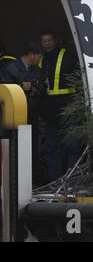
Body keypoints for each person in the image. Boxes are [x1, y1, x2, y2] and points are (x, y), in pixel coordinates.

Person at [0, 42, 44, 185]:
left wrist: (33, 88)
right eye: (38, 56)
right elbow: (5, 89)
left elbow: (41, 88)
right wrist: (20, 87)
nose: (39, 59)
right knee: (14, 150)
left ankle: (30, 181)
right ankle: (14, 182)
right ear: (31, 55)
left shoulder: (37, 70)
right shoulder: (11, 68)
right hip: (14, 117)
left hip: (32, 115)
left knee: (31, 149)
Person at [39, 30, 80, 182]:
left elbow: (77, 78)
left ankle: (72, 180)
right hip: (51, 111)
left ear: (55, 40)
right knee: (52, 147)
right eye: (44, 41)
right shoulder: (43, 59)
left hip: (68, 106)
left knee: (72, 145)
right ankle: (54, 181)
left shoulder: (67, 54)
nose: (47, 43)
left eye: (49, 40)